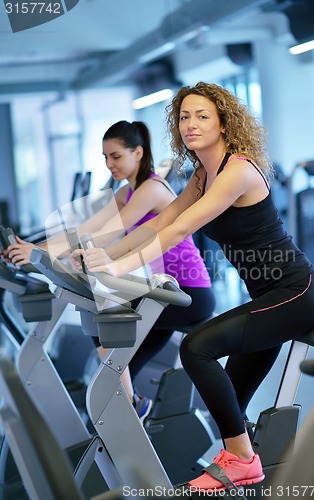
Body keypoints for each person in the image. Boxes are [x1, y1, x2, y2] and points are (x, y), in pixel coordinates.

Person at [71, 83, 314, 493]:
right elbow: (158, 222)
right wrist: (101, 256)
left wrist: (117, 266)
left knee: (197, 348)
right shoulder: (201, 174)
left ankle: (242, 461)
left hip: (297, 293)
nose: (190, 123)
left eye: (202, 115)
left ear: (225, 122)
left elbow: (182, 227)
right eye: (184, 117)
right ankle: (247, 463)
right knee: (231, 406)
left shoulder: (238, 170)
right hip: (267, 298)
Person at [6, 119, 215, 421]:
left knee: (103, 315)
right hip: (163, 290)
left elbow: (109, 233)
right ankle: (131, 414)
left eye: (116, 156)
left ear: (138, 153)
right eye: (105, 157)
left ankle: (132, 406)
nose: (109, 164)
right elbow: (86, 229)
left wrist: (37, 252)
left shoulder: (152, 188)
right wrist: (33, 246)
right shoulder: (126, 192)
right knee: (113, 370)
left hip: (188, 292)